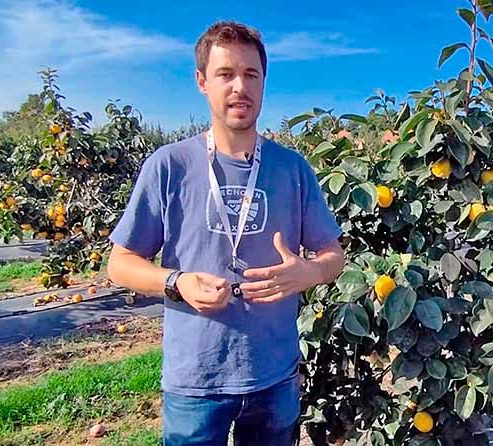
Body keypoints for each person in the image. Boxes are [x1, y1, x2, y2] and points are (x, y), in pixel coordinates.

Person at [107, 20, 345, 446]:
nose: (240, 86)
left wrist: (307, 273)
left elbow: (333, 254)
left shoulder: (293, 169)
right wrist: (176, 282)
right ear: (202, 82)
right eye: (225, 74)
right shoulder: (169, 166)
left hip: (274, 374)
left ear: (264, 82)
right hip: (196, 378)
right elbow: (120, 264)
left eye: (251, 74)